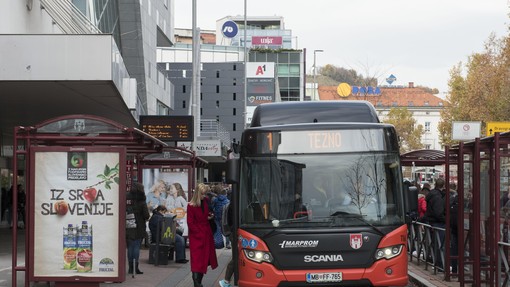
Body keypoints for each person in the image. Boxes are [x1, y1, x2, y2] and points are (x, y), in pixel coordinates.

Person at [187, 183, 218, 287]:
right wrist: (198, 233)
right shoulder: (190, 205)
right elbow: (190, 223)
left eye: (205, 194)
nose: (204, 196)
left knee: (204, 258)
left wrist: (209, 216)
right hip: (197, 235)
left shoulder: (206, 201)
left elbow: (206, 213)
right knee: (197, 258)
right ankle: (196, 282)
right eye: (202, 194)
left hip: (206, 233)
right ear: (198, 193)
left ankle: (198, 281)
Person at [126, 182, 150, 275]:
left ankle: (130, 268)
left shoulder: (127, 200)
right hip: (139, 226)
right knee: (136, 247)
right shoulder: (142, 201)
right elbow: (146, 215)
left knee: (130, 247)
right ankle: (136, 268)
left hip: (128, 226)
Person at [422, 178, 446, 270]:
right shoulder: (438, 197)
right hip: (438, 223)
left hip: (431, 222)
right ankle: (439, 265)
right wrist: (446, 219)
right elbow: (438, 213)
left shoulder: (432, 195)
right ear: (443, 186)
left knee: (434, 243)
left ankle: (434, 262)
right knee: (439, 245)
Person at [219, 201, 234, 287]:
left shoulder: (231, 204)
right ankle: (226, 281)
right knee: (236, 257)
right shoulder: (233, 205)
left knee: (236, 257)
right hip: (234, 233)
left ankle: (226, 281)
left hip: (232, 233)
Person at [211, 185, 230, 249]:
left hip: (217, 216)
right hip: (224, 217)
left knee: (218, 230)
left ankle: (218, 242)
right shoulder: (227, 200)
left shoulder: (215, 199)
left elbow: (212, 207)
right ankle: (228, 244)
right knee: (226, 230)